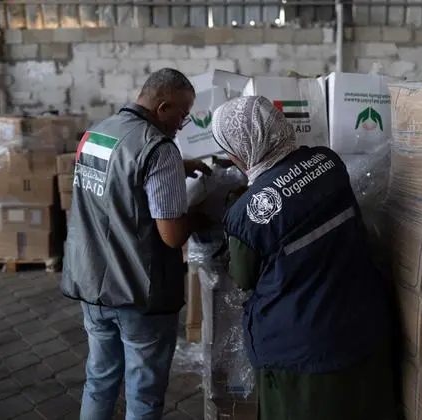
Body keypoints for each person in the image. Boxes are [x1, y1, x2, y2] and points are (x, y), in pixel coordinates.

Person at [211, 96, 397, 420]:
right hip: (364, 325)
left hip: (301, 354)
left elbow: (243, 278)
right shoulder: (328, 162)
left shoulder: (247, 215)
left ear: (241, 147)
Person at [61, 68, 211, 420]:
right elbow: (172, 235)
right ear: (163, 106)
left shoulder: (96, 133)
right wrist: (206, 210)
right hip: (137, 294)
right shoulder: (159, 149)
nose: (182, 122)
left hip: (91, 284)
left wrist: (176, 168)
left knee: (99, 380)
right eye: (182, 113)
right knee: (143, 394)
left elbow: (116, 184)